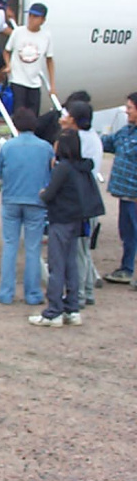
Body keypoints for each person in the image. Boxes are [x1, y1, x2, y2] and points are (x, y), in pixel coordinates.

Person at [30, 129, 97, 327]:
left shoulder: (63, 168)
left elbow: (49, 194)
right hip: (77, 219)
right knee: (71, 264)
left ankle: (54, 311)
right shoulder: (82, 167)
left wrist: (43, 193)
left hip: (61, 219)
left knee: (56, 265)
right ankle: (72, 308)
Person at [0, 108, 54, 305]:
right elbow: (51, 172)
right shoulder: (45, 147)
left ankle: (6, 292)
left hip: (11, 199)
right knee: (32, 248)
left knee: (10, 245)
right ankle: (33, 293)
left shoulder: (8, 147)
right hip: (36, 200)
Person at [60, 101, 104, 305]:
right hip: (90, 199)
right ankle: (87, 291)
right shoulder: (92, 137)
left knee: (78, 250)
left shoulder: (78, 140)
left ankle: (78, 295)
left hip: (80, 202)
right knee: (84, 250)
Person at [101, 93, 137, 286]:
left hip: (135, 195)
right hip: (125, 194)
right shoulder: (126, 132)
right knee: (127, 233)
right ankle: (127, 269)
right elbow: (107, 142)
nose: (126, 111)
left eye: (130, 107)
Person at [3, 2, 56, 117]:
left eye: (35, 17)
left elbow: (49, 60)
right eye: (30, 16)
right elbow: (6, 51)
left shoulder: (46, 36)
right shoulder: (18, 32)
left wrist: (52, 85)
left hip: (34, 82)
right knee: (19, 113)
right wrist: (8, 65)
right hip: (18, 79)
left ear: (43, 20)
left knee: (33, 115)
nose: (31, 19)